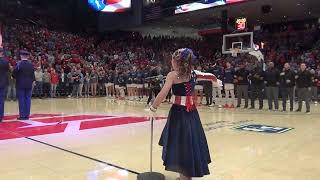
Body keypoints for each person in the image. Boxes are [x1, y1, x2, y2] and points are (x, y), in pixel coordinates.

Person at [150, 48, 216, 180]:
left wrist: (153, 107)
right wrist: (215, 80)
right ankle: (185, 176)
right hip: (191, 113)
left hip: (179, 114)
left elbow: (163, 93)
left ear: (176, 62)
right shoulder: (193, 74)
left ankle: (184, 177)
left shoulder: (172, 75)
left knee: (181, 144)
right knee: (189, 143)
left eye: (172, 60)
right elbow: (209, 76)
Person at [12, 50, 35, 120]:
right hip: (29, 85)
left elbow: (14, 74)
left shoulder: (18, 64)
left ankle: (22, 116)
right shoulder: (31, 64)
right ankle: (27, 115)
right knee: (28, 100)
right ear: (27, 56)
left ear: (21, 56)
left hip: (20, 84)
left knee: (21, 100)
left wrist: (16, 77)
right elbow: (32, 75)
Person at [0, 48, 9, 122]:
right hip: (3, 83)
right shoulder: (5, 61)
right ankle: (1, 116)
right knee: (1, 100)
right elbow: (7, 70)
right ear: (2, 53)